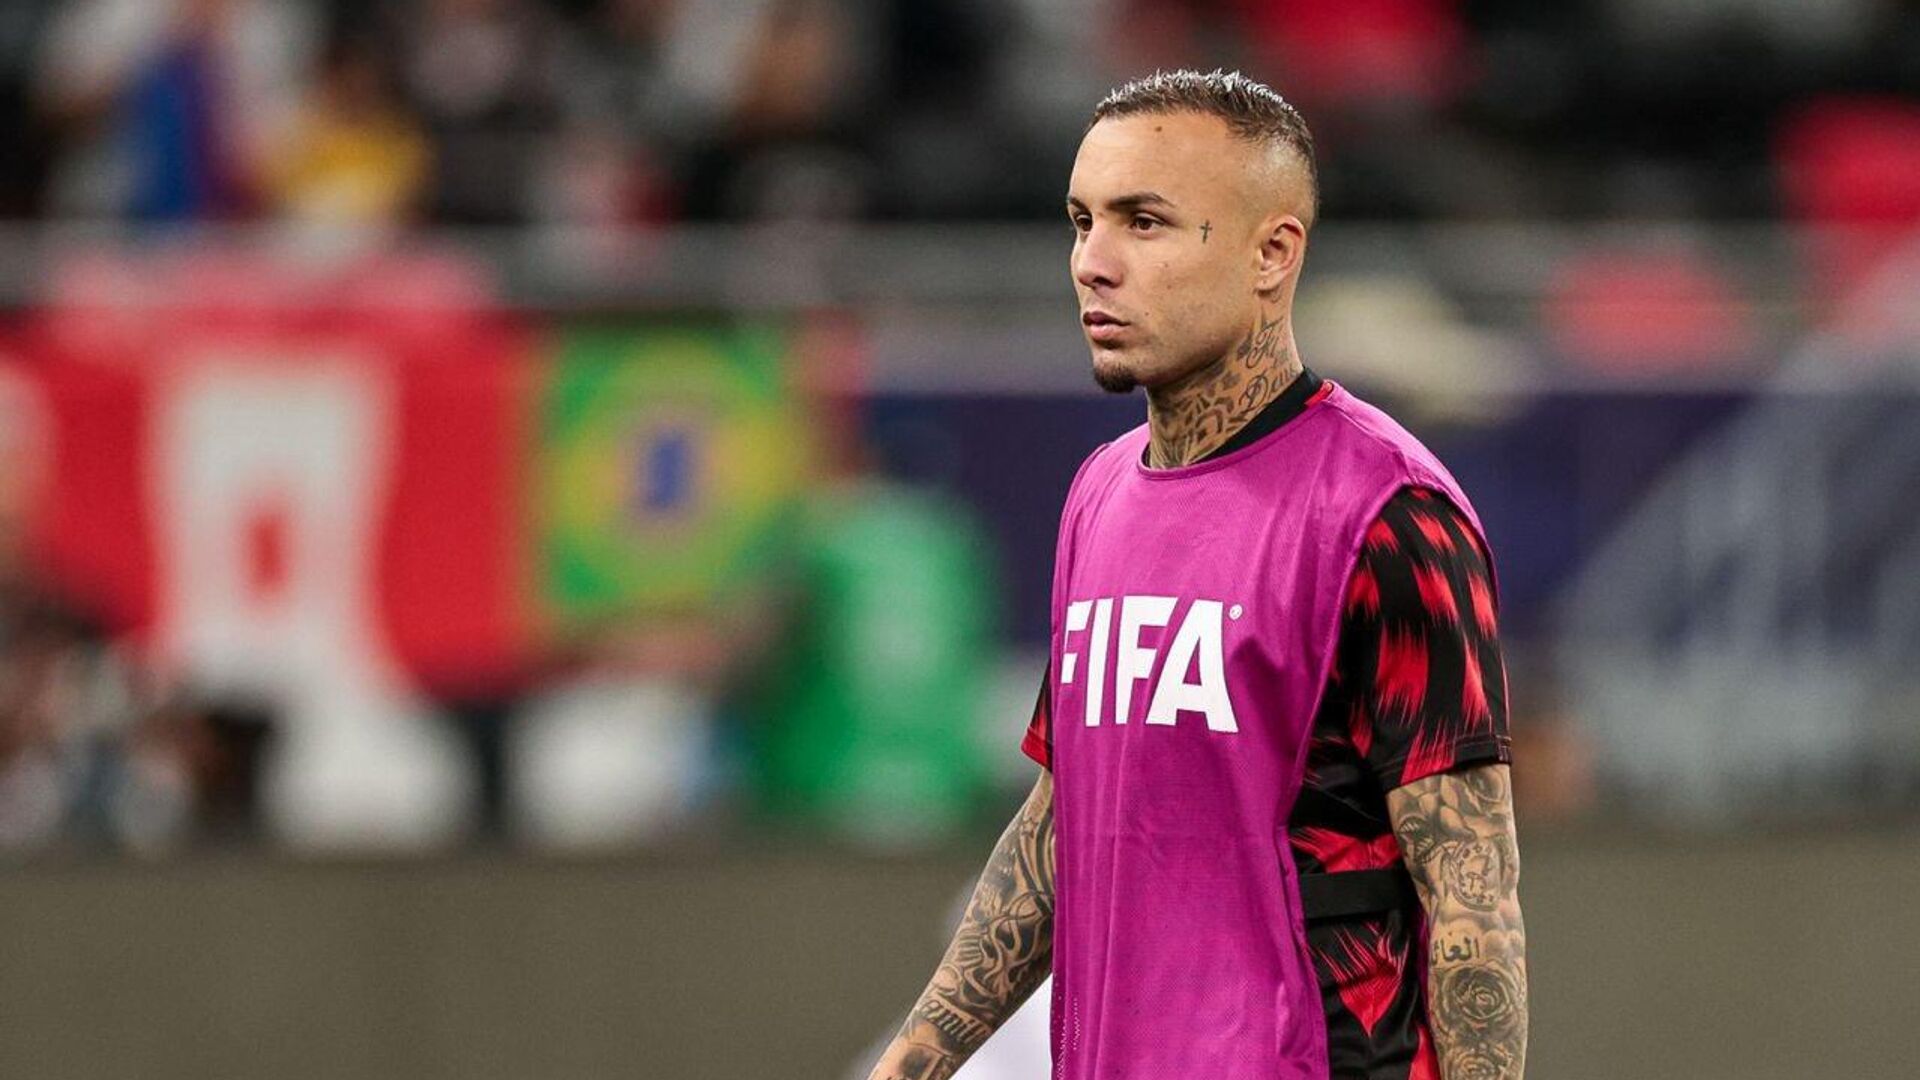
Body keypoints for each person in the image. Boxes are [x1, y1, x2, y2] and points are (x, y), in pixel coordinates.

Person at [866, 70, 1527, 1080]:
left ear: (1273, 253)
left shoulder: (1386, 514)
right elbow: (1061, 824)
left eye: (1145, 222)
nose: (1093, 263)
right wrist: (911, 1064)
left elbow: (1472, 898)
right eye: (1082, 221)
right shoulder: (1098, 495)